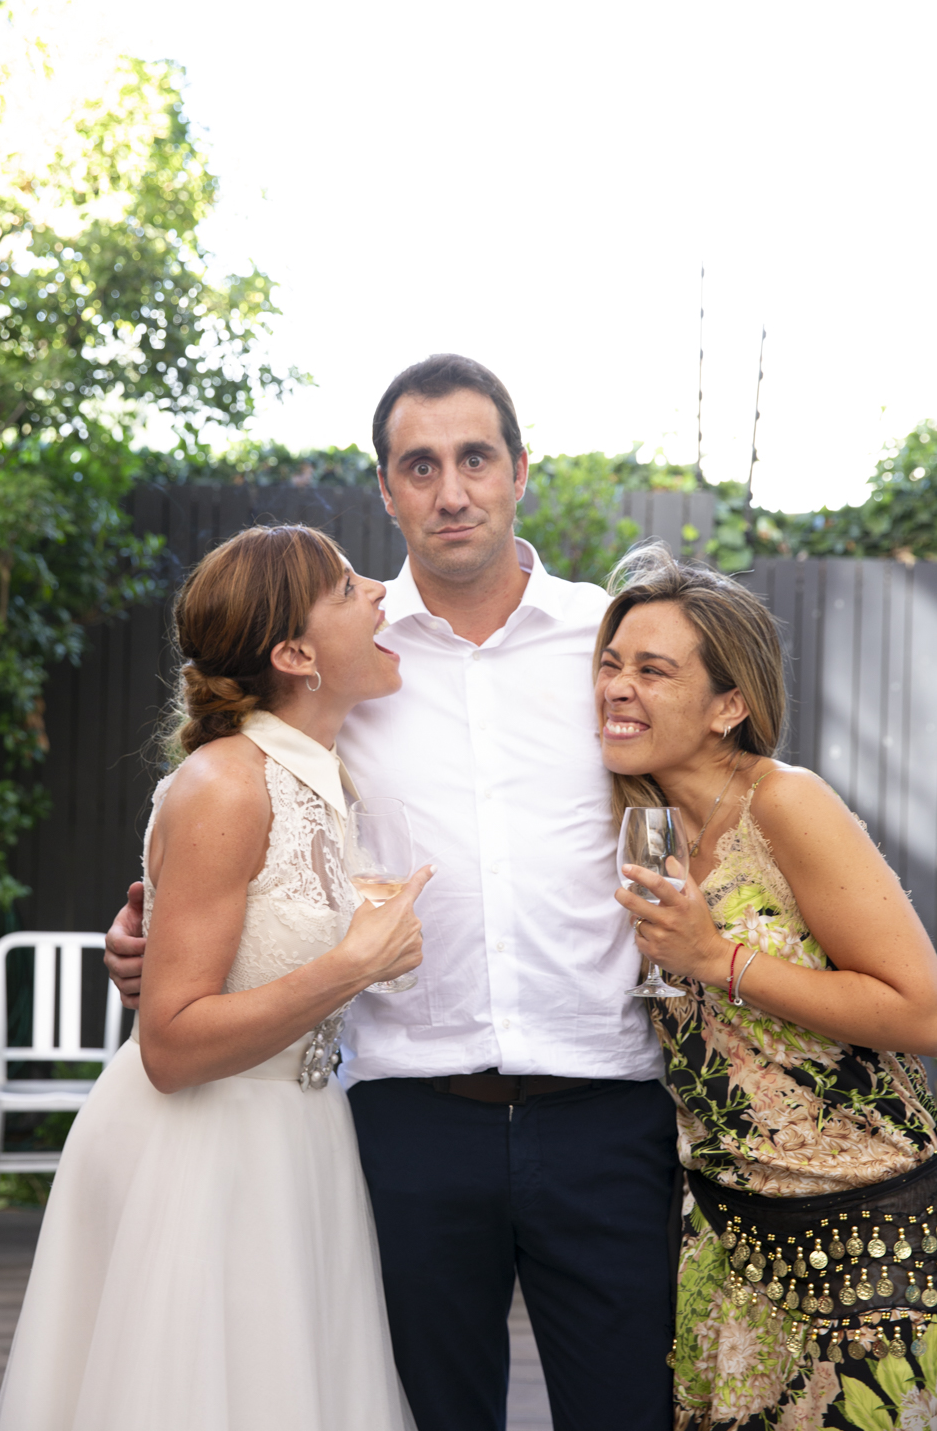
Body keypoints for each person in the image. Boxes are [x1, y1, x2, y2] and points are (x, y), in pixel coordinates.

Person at [108, 355, 680, 1431]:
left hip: (605, 1108)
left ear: (519, 469)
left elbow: (712, 795)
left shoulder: (609, 640)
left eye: (475, 459)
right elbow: (235, 796)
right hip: (406, 1117)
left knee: (629, 1413)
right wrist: (147, 922)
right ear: (384, 487)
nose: (450, 491)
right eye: (419, 466)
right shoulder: (344, 651)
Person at [0, 525, 428, 1431]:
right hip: (203, 1151)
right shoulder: (227, 785)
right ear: (295, 654)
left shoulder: (320, 777)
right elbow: (171, 1046)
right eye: (349, 587)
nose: (381, 591)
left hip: (299, 1136)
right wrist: (352, 965)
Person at [598, 544, 937, 1430]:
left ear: (728, 706)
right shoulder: (637, 820)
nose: (616, 688)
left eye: (651, 670)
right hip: (726, 1241)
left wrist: (718, 960)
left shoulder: (784, 802)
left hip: (865, 1227)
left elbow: (921, 1010)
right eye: (610, 664)